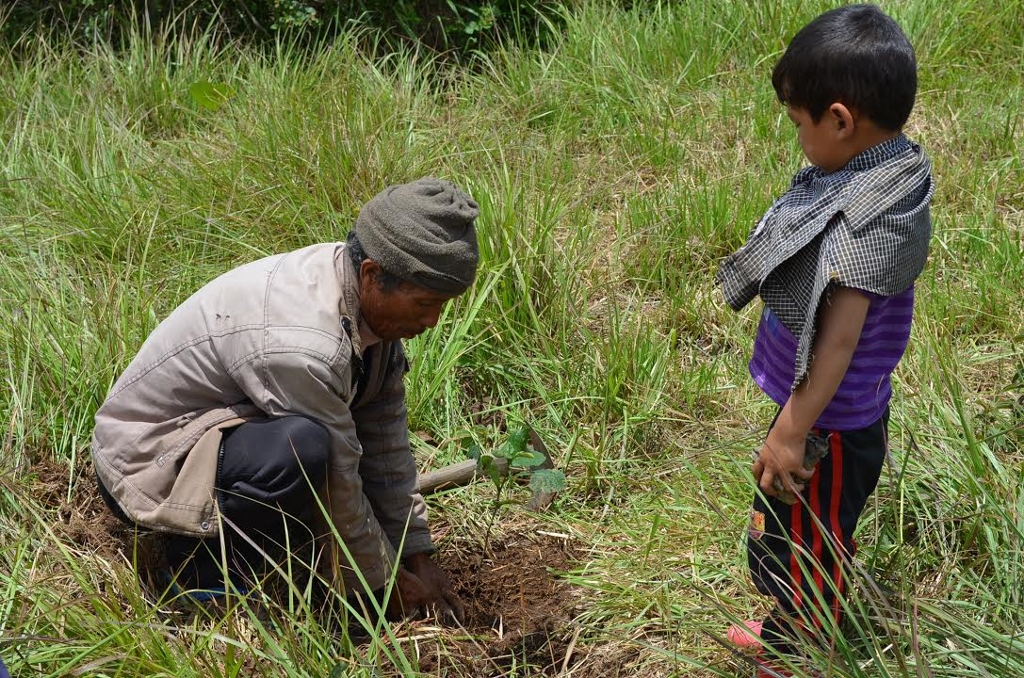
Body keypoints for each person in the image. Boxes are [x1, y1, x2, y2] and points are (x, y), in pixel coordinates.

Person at [92, 176, 479, 622]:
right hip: (149, 459)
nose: (432, 321)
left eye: (444, 305)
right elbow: (339, 474)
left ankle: (253, 537)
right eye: (425, 303)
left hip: (224, 432)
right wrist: (380, 585)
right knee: (301, 447)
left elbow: (383, 434)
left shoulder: (366, 300)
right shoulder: (305, 342)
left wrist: (416, 554)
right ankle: (200, 574)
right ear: (373, 274)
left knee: (309, 448)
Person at [715, 5, 934, 675]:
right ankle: (788, 622)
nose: (797, 137)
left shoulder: (870, 223)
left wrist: (790, 429)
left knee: (810, 540)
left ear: (840, 120)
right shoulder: (878, 170)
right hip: (817, 413)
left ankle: (800, 650)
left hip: (827, 424)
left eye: (798, 124)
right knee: (788, 527)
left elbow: (836, 344)